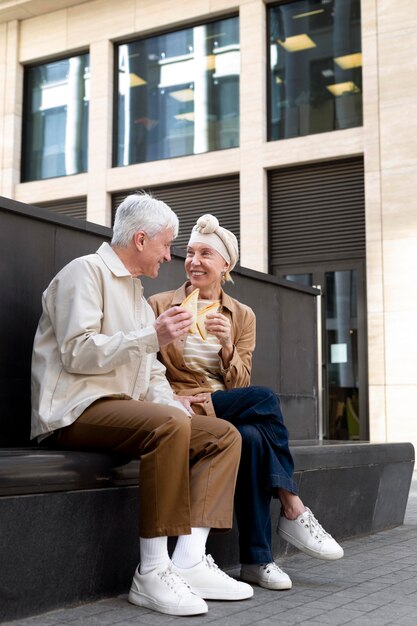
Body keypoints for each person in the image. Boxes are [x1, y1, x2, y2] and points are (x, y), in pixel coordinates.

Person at [30, 194, 254, 617]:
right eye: (166, 245)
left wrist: (176, 404)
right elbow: (78, 353)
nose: (170, 256)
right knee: (168, 427)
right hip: (74, 410)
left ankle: (188, 559)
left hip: (122, 410)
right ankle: (151, 571)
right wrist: (153, 337)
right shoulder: (84, 273)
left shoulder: (134, 293)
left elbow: (149, 370)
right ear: (139, 239)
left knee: (222, 435)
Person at [148, 214, 344, 592]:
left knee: (255, 429)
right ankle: (290, 508)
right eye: (189, 253)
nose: (194, 261)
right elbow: (146, 368)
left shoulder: (241, 315)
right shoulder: (160, 304)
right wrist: (177, 397)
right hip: (180, 404)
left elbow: (241, 382)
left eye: (206, 253)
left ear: (226, 265)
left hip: (225, 402)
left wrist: (225, 348)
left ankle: (257, 562)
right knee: (264, 408)